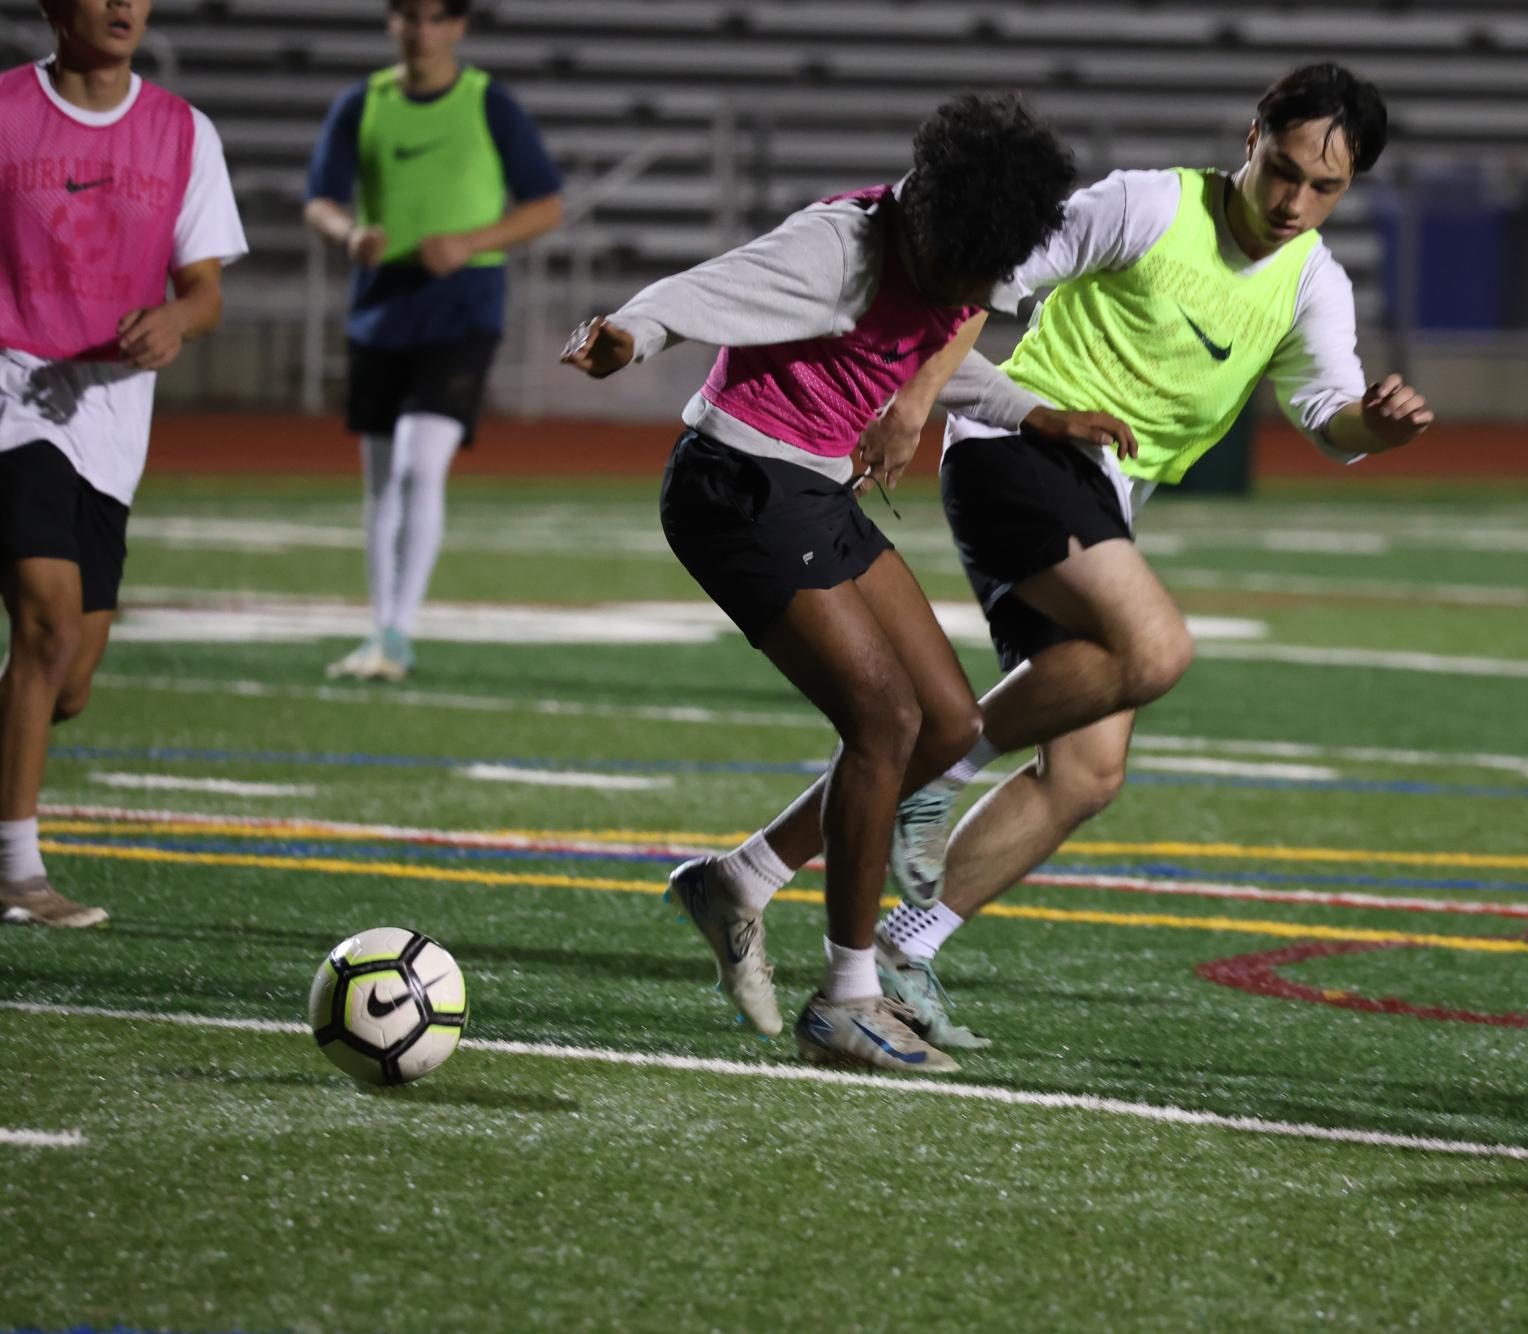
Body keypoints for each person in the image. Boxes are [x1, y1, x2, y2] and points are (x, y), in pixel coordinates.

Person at [686, 62, 1436, 1047]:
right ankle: (940, 772)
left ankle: (794, 895)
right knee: (1156, 648)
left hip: (1099, 497)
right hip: (1019, 450)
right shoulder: (1150, 205)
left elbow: (1327, 417)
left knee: (1087, 771)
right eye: (1284, 169)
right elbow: (987, 273)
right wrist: (914, 401)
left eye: (1324, 187)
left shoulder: (1313, 283)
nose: (1294, 201)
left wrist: (1379, 426)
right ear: (1253, 132)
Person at [561, 92, 1130, 1074]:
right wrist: (628, 335)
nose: (977, 291)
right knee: (886, 725)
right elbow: (703, 288)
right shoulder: (840, 247)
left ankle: (740, 877)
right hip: (735, 485)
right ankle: (846, 998)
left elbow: (929, 356)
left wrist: (1040, 414)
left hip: (814, 494)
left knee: (951, 724)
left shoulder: (961, 245)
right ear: (935, 221)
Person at [0, 0, 246, 928]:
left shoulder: (182, 131)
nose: (119, 6)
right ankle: (16, 873)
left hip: (112, 419)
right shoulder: (5, 112)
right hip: (13, 395)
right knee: (45, 621)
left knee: (68, 681)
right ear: (53, 7)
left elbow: (206, 290)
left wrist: (176, 321)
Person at [305, 0, 563, 683]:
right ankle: (379, 631)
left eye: (434, 17)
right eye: (408, 16)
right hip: (380, 313)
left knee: (422, 465)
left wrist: (471, 243)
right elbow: (321, 199)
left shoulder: (489, 103)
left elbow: (546, 203)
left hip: (462, 310)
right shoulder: (363, 103)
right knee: (381, 481)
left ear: (459, 26)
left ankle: (399, 631)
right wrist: (348, 235)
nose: (421, 30)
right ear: (391, 23)